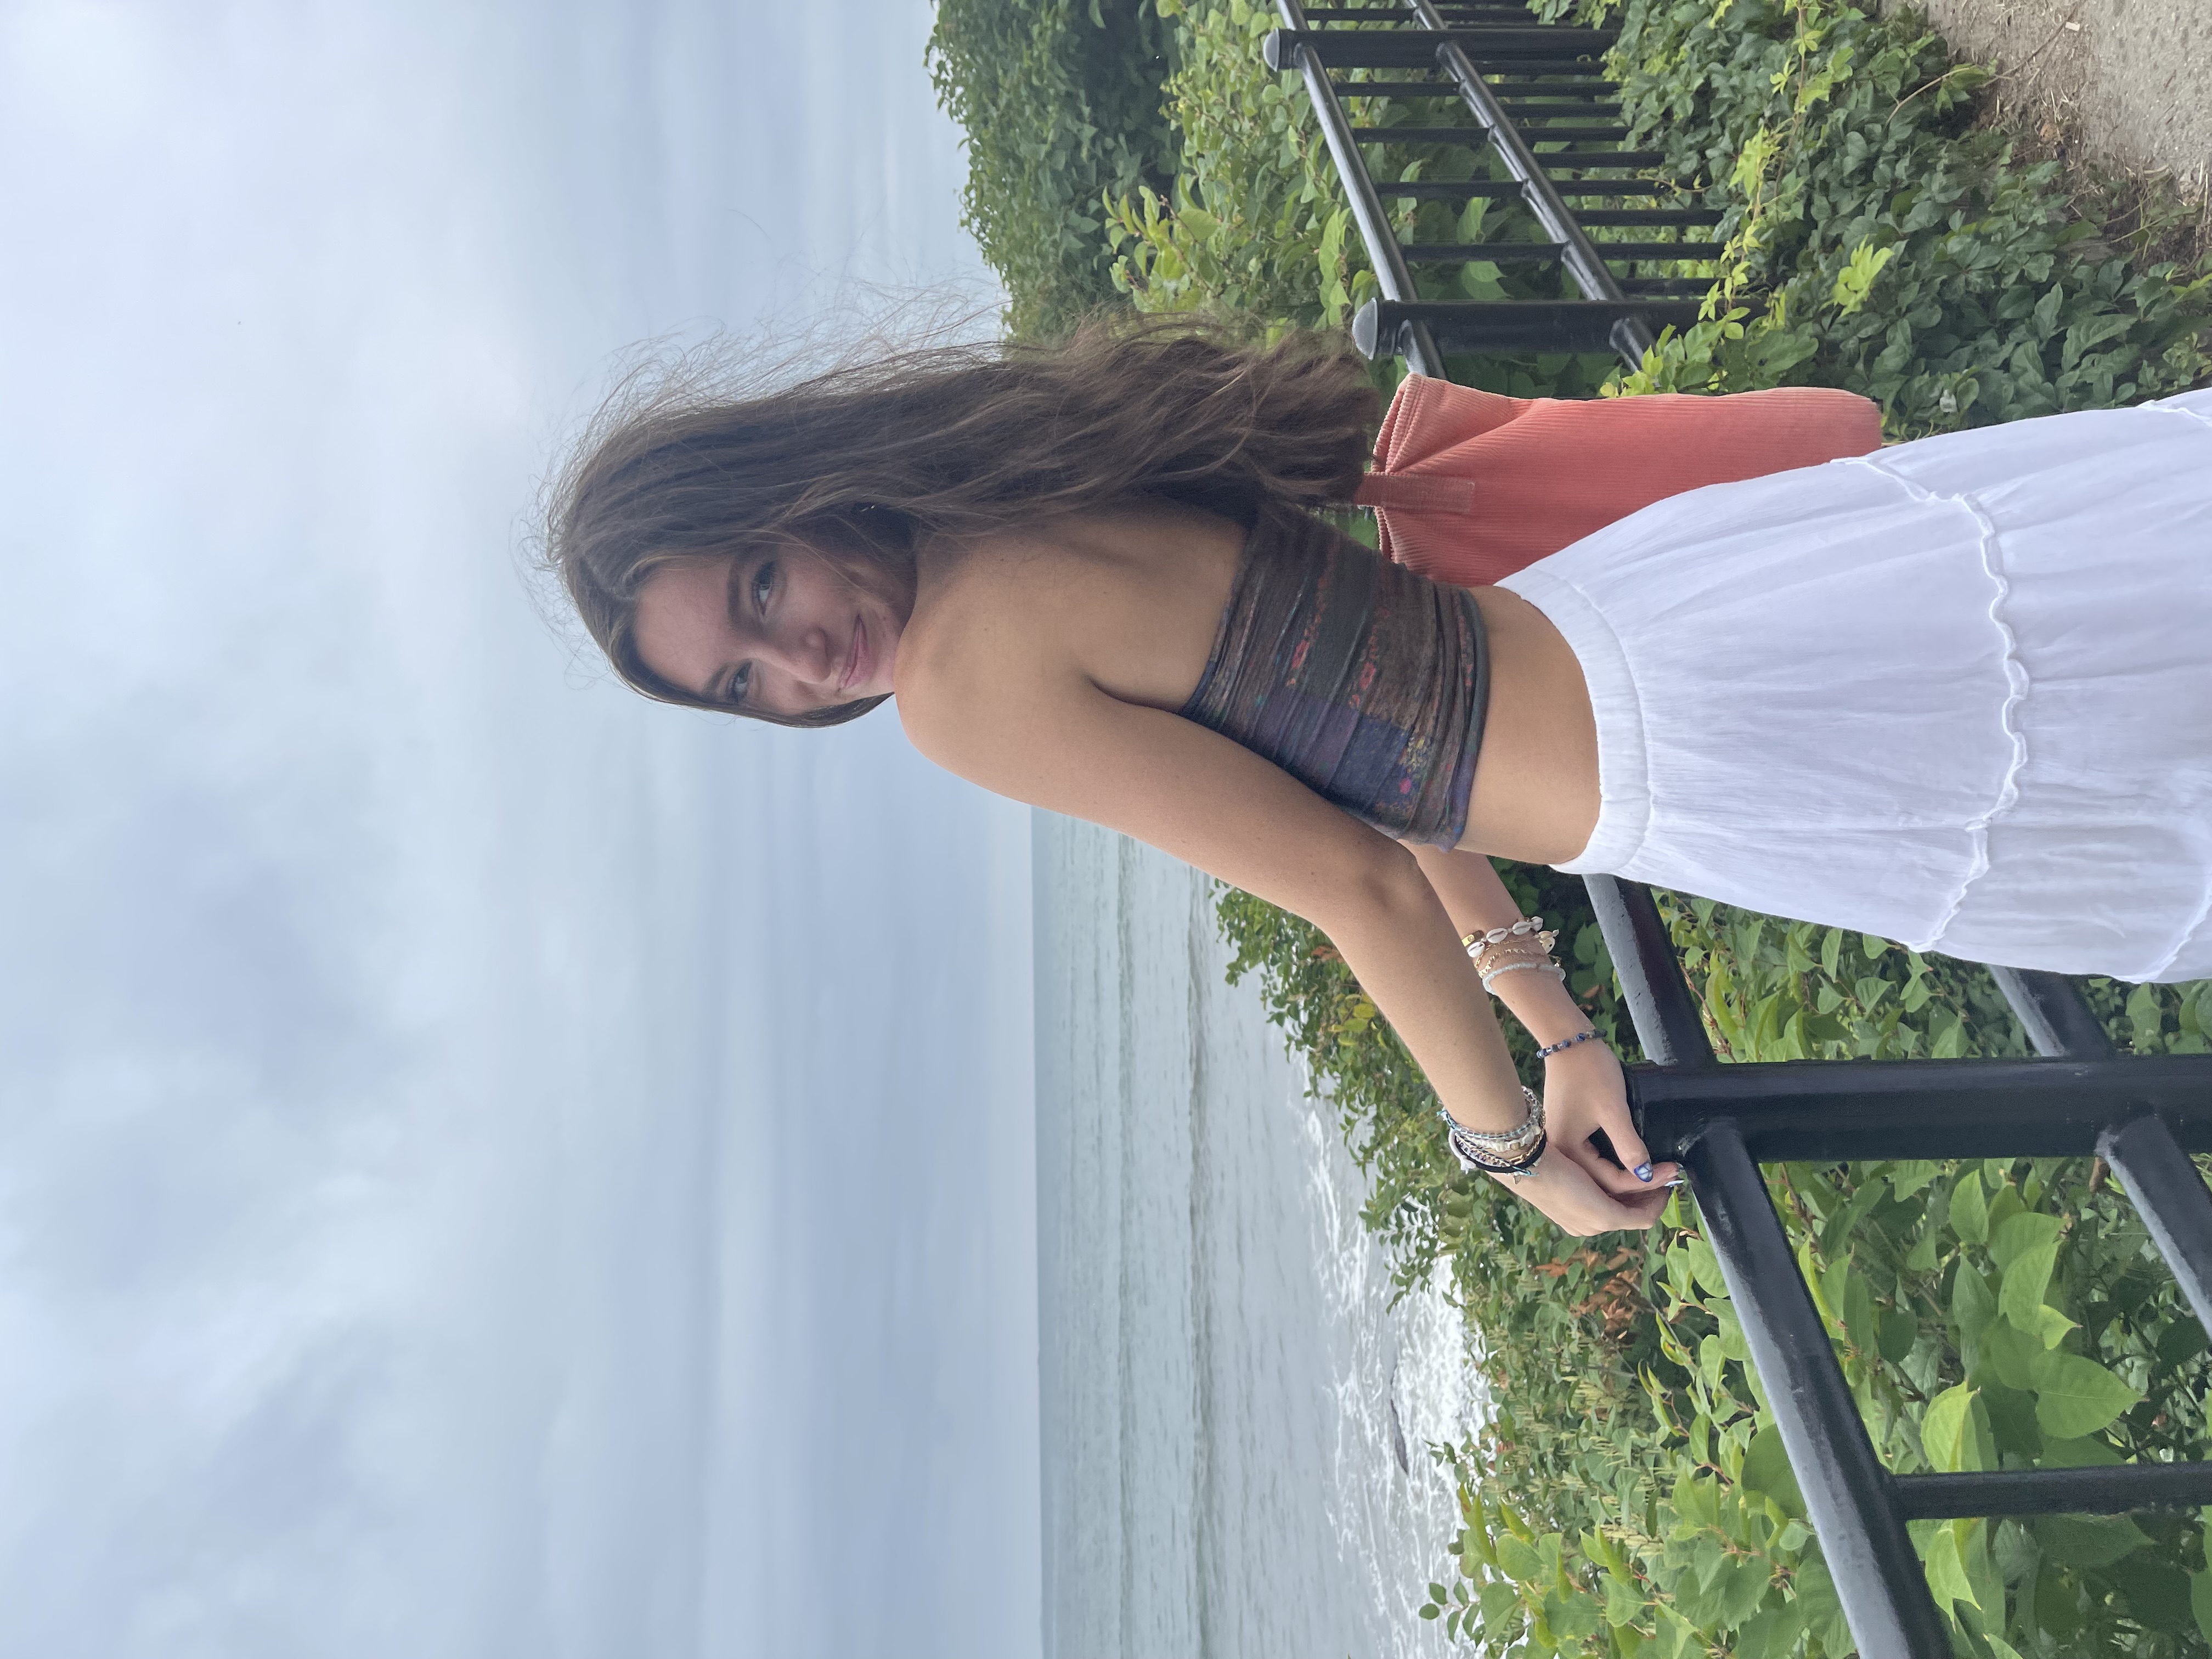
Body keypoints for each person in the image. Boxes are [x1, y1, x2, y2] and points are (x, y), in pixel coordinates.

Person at [543, 319, 2212, 1237]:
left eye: (760, 586)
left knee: (2128, 747)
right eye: (744, 682)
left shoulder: (963, 692)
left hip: (1689, 737)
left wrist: (1512, 1155)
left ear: (788, 494)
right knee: (2130, 618)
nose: (800, 655)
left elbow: (1346, 882)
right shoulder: (1018, 475)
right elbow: (1378, 756)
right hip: (1656, 614)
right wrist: (1553, 1022)